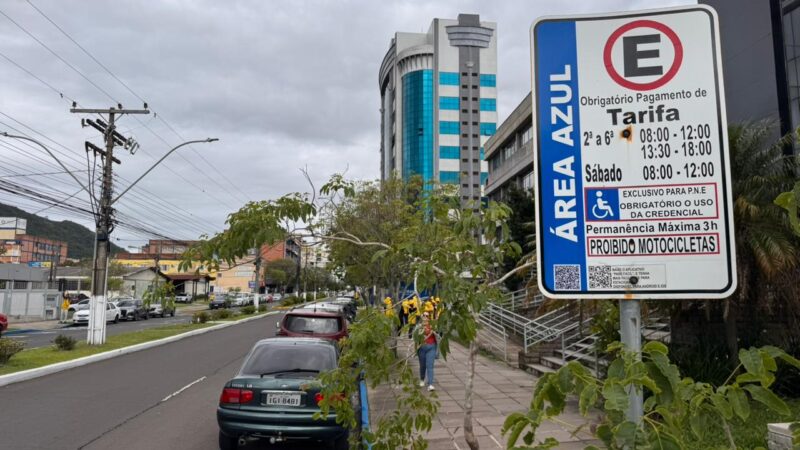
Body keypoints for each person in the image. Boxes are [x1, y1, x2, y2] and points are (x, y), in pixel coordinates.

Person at [417, 313, 438, 391]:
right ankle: (422, 379)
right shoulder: (418, 327)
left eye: (427, 316)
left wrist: (435, 332)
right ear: (421, 317)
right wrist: (421, 330)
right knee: (422, 365)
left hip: (431, 347)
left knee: (430, 365)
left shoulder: (433, 326)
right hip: (421, 348)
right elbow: (414, 337)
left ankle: (430, 384)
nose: (425, 317)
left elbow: (439, 336)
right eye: (424, 316)